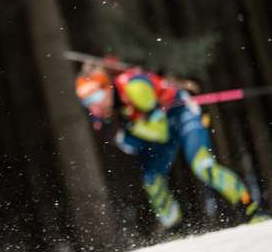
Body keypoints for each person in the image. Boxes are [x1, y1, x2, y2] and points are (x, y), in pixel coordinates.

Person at [74, 63, 268, 230]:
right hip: (160, 128)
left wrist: (131, 128)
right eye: (86, 103)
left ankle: (251, 208)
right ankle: (175, 227)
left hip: (181, 115)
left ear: (106, 88)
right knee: (152, 179)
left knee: (203, 166)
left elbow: (160, 131)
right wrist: (122, 132)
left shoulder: (133, 87)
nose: (93, 107)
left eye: (95, 98)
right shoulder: (108, 114)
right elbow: (132, 146)